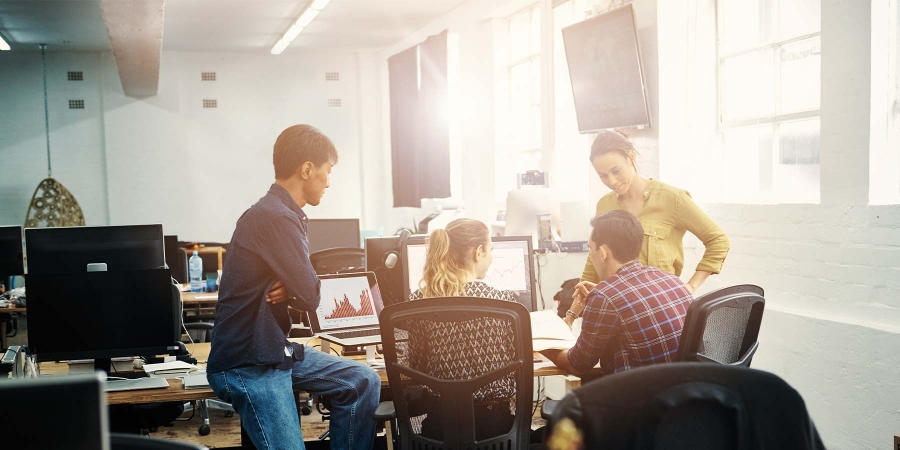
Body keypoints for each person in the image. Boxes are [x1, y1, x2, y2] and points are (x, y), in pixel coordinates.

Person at [206, 125, 381, 450]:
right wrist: (296, 287)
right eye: (327, 172)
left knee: (362, 381)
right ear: (307, 169)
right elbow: (311, 295)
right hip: (247, 362)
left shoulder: (276, 213)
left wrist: (290, 287)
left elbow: (302, 292)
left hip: (272, 350)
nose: (328, 182)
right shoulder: (275, 217)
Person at [573, 131, 730, 313]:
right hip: (617, 311)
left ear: (631, 157)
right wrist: (570, 316)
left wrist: (690, 288)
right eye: (603, 176)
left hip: (663, 310)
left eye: (616, 171)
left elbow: (718, 241)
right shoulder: (604, 205)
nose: (612, 181)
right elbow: (594, 261)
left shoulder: (673, 199)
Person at [543, 210, 692, 376]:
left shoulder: (605, 297)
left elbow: (578, 364)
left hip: (637, 397)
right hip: (682, 390)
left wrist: (541, 346)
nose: (590, 254)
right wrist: (605, 292)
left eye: (590, 248)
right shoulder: (671, 280)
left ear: (603, 253)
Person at [407, 219, 518, 441]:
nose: (491, 258)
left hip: (440, 428)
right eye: (490, 251)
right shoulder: (505, 303)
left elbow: (417, 369)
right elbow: (515, 365)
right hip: (497, 431)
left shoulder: (418, 302)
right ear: (479, 252)